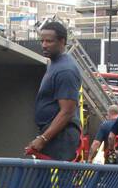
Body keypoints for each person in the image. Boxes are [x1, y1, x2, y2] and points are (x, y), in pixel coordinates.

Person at [25, 20, 81, 162]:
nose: (44, 45)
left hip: (62, 137)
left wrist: (43, 139)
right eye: (42, 41)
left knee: (61, 182)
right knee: (42, 181)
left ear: (62, 41)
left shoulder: (65, 70)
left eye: (49, 41)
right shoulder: (53, 64)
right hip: (54, 134)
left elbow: (67, 112)